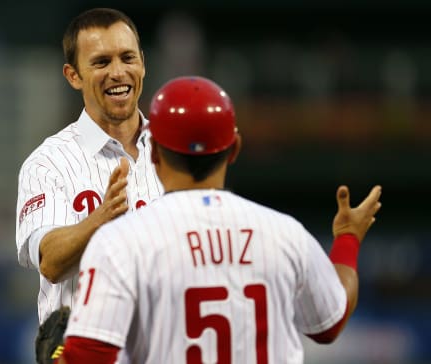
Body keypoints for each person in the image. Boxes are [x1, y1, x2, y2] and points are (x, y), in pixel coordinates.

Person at [54, 76, 382, 364]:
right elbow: (330, 324)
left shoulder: (119, 242)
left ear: (153, 152)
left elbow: (88, 358)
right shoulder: (286, 234)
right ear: (234, 148)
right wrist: (348, 238)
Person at [15, 7, 163, 327]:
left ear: (143, 63)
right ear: (73, 76)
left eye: (127, 58)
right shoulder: (48, 163)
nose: (118, 72)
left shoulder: (174, 151)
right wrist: (101, 219)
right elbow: (51, 262)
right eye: (101, 62)